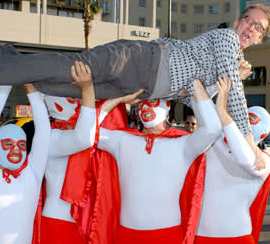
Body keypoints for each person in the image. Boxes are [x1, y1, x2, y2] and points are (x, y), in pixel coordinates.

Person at [0, 3, 270, 140]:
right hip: (141, 59)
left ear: (260, 38)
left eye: (258, 29)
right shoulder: (228, 39)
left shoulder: (229, 60)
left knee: (60, 86)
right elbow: (236, 100)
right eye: (249, 21)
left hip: (136, 89)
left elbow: (200, 96)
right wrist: (248, 138)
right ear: (238, 22)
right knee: (68, 67)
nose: (250, 29)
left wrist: (231, 81)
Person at [92, 78, 222, 243]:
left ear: (167, 105)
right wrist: (119, 99)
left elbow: (213, 129)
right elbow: (86, 133)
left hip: (168, 236)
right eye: (141, 103)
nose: (145, 107)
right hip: (125, 236)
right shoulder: (122, 139)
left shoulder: (183, 143)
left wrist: (193, 80)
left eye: (152, 101)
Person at [0, 83, 51, 244]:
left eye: (21, 144)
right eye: (8, 144)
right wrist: (6, 82)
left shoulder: (32, 173)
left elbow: (43, 133)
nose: (15, 150)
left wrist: (32, 92)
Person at [193, 76, 270, 244]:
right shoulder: (217, 141)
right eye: (243, 116)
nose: (242, 122)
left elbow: (245, 160)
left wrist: (222, 110)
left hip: (237, 237)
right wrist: (228, 80)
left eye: (250, 119)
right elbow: (199, 103)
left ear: (263, 134)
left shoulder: (264, 161)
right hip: (201, 235)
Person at [40, 61, 96, 244]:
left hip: (80, 220)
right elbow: (82, 139)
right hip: (59, 221)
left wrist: (118, 100)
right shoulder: (51, 135)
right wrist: (87, 89)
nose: (76, 99)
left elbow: (91, 128)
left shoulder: (67, 131)